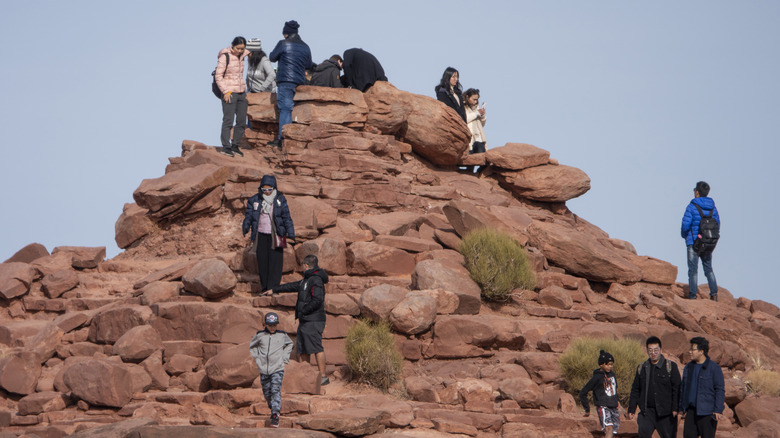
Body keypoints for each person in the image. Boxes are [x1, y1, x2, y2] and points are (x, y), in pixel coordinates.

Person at [265, 254, 330, 386]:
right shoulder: (306, 280)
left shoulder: (316, 280)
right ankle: (304, 376)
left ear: (306, 265)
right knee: (302, 348)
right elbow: (292, 286)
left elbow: (317, 300)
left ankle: (323, 376)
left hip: (314, 320)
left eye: (303, 266)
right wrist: (275, 289)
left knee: (316, 347)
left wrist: (303, 310)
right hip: (305, 320)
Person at [242, 175, 295, 293]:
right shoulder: (254, 199)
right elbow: (249, 216)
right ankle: (265, 288)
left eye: (269, 189)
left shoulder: (280, 199)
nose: (266, 192)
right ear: (261, 188)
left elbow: (286, 216)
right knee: (263, 262)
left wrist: (290, 232)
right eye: (264, 189)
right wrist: (246, 226)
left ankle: (274, 289)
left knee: (276, 262)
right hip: (261, 234)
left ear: (274, 188)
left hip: (277, 234)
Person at [267, 20, 312, 148]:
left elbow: (272, 57)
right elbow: (308, 65)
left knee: (285, 109)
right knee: (294, 109)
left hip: (285, 81)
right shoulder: (305, 46)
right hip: (300, 82)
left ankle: (283, 139)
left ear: (286, 33)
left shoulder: (283, 44)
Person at [627, 336, 681, 438]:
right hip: (646, 413)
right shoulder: (642, 367)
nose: (653, 353)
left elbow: (676, 388)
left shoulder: (670, 366)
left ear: (660, 350)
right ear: (647, 351)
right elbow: (635, 389)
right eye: (650, 350)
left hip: (666, 413)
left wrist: (675, 408)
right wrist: (631, 409)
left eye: (656, 350)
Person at [249, 312, 292, 428]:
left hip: (277, 368)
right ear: (266, 325)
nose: (272, 327)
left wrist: (284, 357)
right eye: (270, 325)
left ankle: (275, 415)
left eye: (274, 325)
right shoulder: (259, 335)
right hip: (264, 369)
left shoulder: (282, 335)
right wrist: (258, 358)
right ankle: (273, 407)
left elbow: (289, 344)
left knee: (275, 390)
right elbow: (252, 346)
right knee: (267, 392)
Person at [681, 181, 720, 301]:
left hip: (693, 242)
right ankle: (714, 294)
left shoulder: (692, 206)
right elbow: (717, 225)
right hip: (708, 242)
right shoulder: (713, 208)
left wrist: (685, 236)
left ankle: (693, 295)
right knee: (708, 269)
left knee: (693, 270)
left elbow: (685, 225)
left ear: (697, 192)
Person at [679, 337, 725, 438]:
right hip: (691, 411)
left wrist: (718, 409)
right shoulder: (688, 367)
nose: (690, 352)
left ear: (701, 351)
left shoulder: (714, 368)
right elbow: (683, 388)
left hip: (707, 412)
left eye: (693, 349)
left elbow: (719, 389)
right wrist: (680, 407)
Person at [215, 36, 250, 157]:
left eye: (242, 49)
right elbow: (218, 76)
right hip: (229, 92)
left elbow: (253, 49)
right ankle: (226, 146)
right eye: (238, 48)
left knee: (241, 121)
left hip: (241, 92)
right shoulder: (225, 57)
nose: (240, 51)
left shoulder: (243, 56)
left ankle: (235, 145)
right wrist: (225, 92)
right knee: (228, 120)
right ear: (232, 46)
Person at [579, 350, 621, 437]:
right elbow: (583, 392)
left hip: (613, 406)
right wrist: (587, 409)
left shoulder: (612, 375)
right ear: (601, 364)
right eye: (608, 364)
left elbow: (615, 391)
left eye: (611, 364)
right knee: (608, 428)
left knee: (613, 431)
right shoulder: (597, 377)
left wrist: (620, 406)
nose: (610, 366)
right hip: (603, 406)